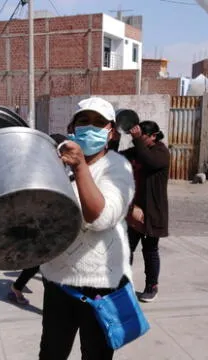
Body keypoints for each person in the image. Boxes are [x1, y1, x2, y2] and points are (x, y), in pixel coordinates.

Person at [38, 97, 135, 360]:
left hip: (100, 287)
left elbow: (100, 218)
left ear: (111, 131)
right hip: (59, 283)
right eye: (83, 121)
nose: (90, 127)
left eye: (99, 123)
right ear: (72, 127)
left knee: (96, 355)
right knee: (51, 353)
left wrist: (80, 166)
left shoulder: (117, 168)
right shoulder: (57, 164)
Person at [8, 133, 70, 306]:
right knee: (43, 259)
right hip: (39, 221)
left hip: (54, 221)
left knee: (43, 260)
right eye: (61, 150)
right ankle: (20, 288)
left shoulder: (62, 166)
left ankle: (18, 287)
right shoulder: (39, 168)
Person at [121, 121, 170, 303]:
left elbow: (149, 161)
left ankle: (152, 286)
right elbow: (117, 156)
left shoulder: (161, 152)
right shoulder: (139, 150)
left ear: (153, 136)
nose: (138, 140)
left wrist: (137, 141)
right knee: (126, 249)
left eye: (142, 136)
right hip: (134, 210)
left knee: (150, 250)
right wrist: (115, 140)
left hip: (152, 212)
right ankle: (124, 284)